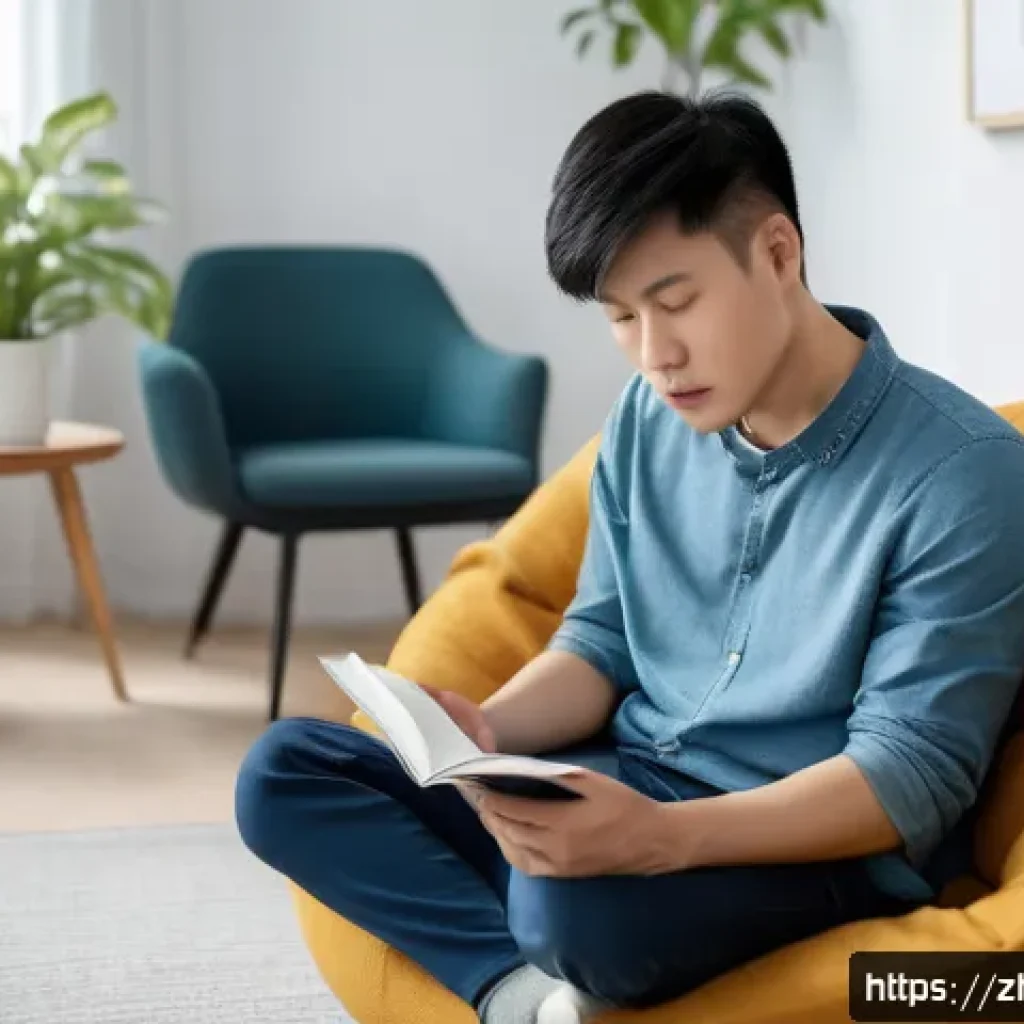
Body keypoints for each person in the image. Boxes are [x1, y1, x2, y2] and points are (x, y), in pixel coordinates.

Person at [234, 90, 1024, 1024]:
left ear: (778, 253)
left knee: (573, 907)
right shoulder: (648, 422)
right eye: (618, 318)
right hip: (621, 784)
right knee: (284, 771)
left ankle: (544, 949)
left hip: (803, 853)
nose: (655, 355)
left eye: (676, 302)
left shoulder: (965, 474)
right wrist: (486, 736)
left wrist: (661, 841)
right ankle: (524, 997)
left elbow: (907, 776)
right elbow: (600, 641)